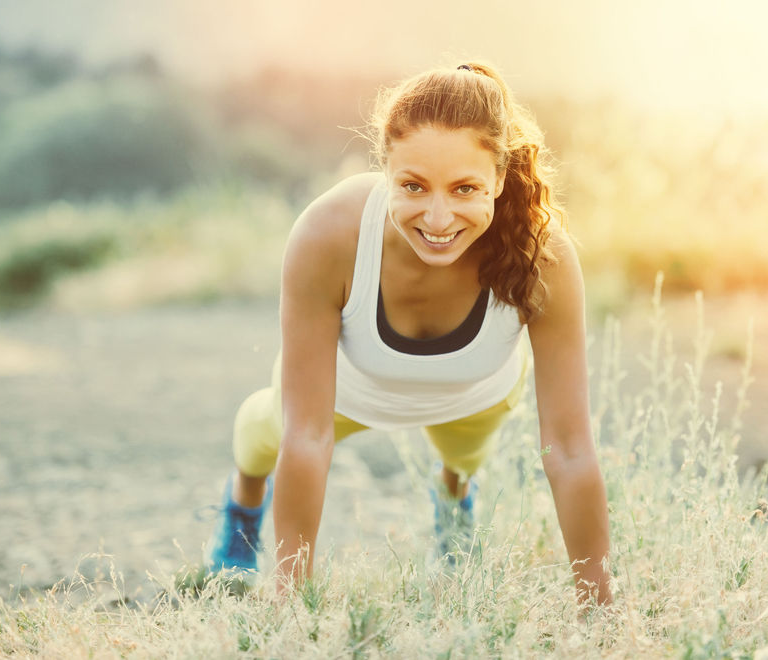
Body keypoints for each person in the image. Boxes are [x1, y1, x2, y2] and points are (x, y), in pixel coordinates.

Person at [205, 62, 613, 607]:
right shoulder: (328, 234)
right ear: (385, 170)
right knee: (264, 435)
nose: (438, 218)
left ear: (498, 177)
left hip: (475, 395)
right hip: (349, 390)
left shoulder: (546, 254)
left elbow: (567, 447)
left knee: (463, 460)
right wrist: (288, 602)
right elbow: (308, 435)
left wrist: (601, 606)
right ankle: (241, 513)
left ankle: (453, 499)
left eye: (465, 188)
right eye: (413, 186)